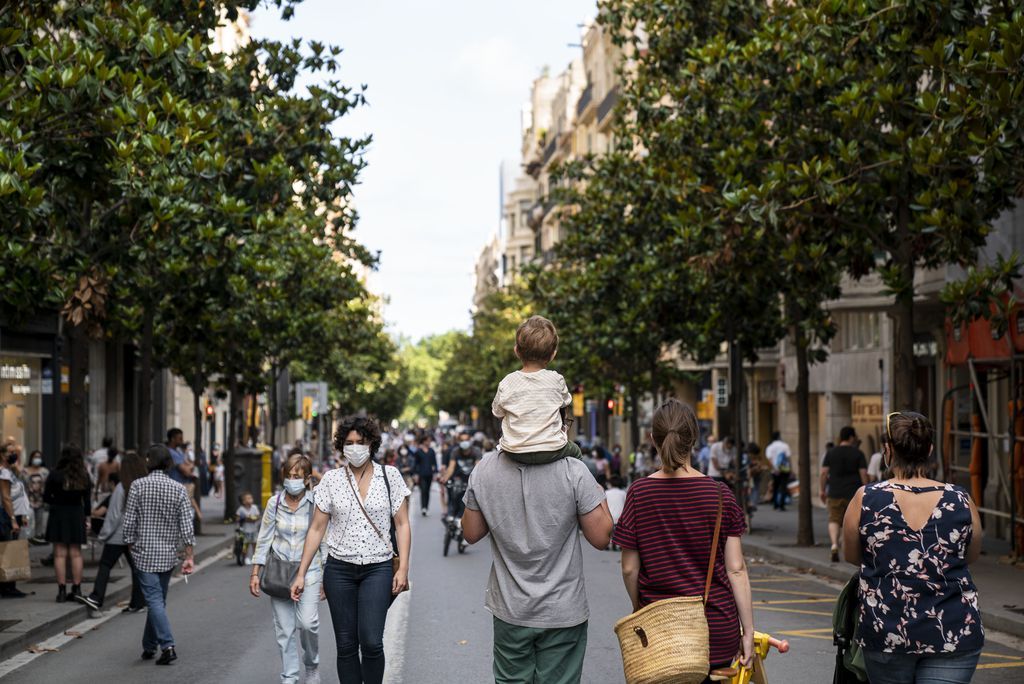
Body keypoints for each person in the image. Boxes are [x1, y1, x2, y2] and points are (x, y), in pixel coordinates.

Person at [461, 422, 612, 684]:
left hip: (511, 609)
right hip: (563, 611)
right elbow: (601, 537)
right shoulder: (574, 470)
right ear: (558, 423)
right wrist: (599, 495)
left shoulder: (485, 468)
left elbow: (471, 533)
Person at [614, 400, 754, 682]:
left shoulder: (640, 493)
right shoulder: (719, 494)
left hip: (661, 629)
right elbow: (736, 569)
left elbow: (630, 569)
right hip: (714, 627)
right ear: (694, 439)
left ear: (652, 439)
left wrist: (640, 606)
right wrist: (747, 631)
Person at [843, 411, 984, 684]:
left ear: (887, 450)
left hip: (887, 630)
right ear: (930, 449)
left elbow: (852, 556)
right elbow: (971, 555)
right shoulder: (960, 498)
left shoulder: (867, 497)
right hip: (953, 631)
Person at [291, 416, 411, 684]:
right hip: (339, 570)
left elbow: (402, 524)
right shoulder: (331, 480)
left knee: (371, 641)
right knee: (346, 645)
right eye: (349, 443)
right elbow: (316, 529)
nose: (355, 447)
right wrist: (301, 573)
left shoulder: (389, 476)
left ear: (372, 444)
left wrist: (402, 568)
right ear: (341, 446)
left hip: (378, 568)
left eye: (361, 442)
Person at [251, 453, 324, 684]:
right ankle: (290, 677)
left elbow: (323, 542)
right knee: (284, 630)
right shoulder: (275, 503)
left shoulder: (316, 504)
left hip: (310, 572)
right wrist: (255, 572)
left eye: (296, 476)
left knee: (308, 624)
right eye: (288, 475)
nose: (291, 480)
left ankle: (311, 665)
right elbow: (264, 539)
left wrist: (326, 578)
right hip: (279, 574)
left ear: (306, 479)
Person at [121, 444, 196, 666]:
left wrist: (129, 543)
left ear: (148, 461)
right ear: (169, 463)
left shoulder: (137, 486)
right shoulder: (178, 488)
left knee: (154, 600)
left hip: (144, 552)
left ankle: (167, 646)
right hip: (168, 554)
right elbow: (186, 525)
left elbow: (129, 520)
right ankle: (149, 645)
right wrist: (188, 554)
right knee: (158, 600)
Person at [491, 316, 581, 465]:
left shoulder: (506, 382)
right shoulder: (556, 379)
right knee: (576, 451)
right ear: (553, 354)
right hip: (552, 449)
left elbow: (497, 412)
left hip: (514, 451)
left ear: (516, 351)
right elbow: (566, 401)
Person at [74, 451, 148, 616]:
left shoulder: (122, 487)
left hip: (118, 535)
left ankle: (96, 597)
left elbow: (113, 515)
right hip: (136, 536)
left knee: (106, 565)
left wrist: (103, 535)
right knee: (137, 569)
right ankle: (138, 602)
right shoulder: (144, 486)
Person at [44, 444, 93, 602]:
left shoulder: (54, 474)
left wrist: (57, 501)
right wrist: (87, 518)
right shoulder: (83, 475)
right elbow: (87, 502)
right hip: (76, 514)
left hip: (58, 514)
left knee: (59, 554)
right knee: (76, 553)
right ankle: (77, 589)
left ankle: (61, 591)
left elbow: (46, 497)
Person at [821, 426, 868, 563]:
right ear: (851, 437)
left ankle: (834, 544)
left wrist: (822, 490)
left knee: (834, 519)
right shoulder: (858, 453)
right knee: (852, 522)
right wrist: (867, 490)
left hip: (835, 492)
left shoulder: (831, 453)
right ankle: (847, 546)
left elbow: (824, 473)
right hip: (853, 493)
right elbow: (863, 473)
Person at [0, 449, 28, 598]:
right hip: (8, 516)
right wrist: (12, 520)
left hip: (15, 515)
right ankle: (7, 587)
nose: (13, 454)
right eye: (8, 452)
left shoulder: (10, 472)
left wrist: (22, 514)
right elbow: (5, 498)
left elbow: (19, 493)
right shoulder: (3, 473)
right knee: (9, 551)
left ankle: (9, 586)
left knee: (10, 550)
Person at [25, 450, 48, 544]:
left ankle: (38, 537)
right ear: (31, 458)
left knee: (39, 519)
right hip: (27, 500)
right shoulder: (25, 471)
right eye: (35, 457)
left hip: (40, 500)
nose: (37, 459)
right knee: (28, 521)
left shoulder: (45, 472)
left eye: (39, 457)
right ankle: (28, 538)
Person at [765, 431, 792, 511]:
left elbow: (769, 459)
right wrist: (790, 469)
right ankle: (781, 505)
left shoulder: (770, 447)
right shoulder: (785, 446)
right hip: (785, 469)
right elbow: (788, 458)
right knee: (783, 486)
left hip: (775, 470)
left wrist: (774, 468)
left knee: (776, 487)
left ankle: (775, 504)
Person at [411, 435, 437, 516]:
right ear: (424, 441)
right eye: (427, 441)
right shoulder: (418, 452)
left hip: (429, 473)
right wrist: (415, 474)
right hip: (421, 474)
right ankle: (423, 508)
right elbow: (416, 463)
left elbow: (434, 462)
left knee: (428, 491)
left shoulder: (432, 451)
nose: (429, 442)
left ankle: (426, 506)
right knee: (423, 490)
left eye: (429, 441)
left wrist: (435, 472)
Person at [236, 492, 261, 565]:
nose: (250, 499)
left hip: (254, 529)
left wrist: (254, 518)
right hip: (245, 530)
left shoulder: (254, 507)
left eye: (251, 498)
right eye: (248, 498)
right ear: (243, 501)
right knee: (245, 545)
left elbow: (258, 516)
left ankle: (255, 558)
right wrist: (243, 518)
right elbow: (237, 518)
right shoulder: (241, 509)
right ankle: (245, 558)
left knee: (255, 544)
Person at [605, 474, 627, 551]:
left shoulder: (606, 493)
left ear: (610, 483)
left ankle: (608, 543)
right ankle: (620, 543)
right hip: (620, 518)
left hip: (609, 518)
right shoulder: (623, 493)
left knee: (607, 530)